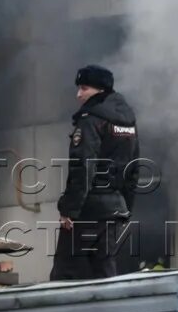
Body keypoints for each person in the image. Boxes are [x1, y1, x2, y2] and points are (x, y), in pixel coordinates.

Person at [51, 64, 141, 281]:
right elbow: (134, 168)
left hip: (88, 210)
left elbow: (83, 167)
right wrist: (126, 207)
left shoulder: (91, 119)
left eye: (84, 88)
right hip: (114, 213)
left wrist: (69, 210)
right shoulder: (128, 122)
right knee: (104, 273)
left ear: (100, 90)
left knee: (66, 273)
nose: (78, 94)